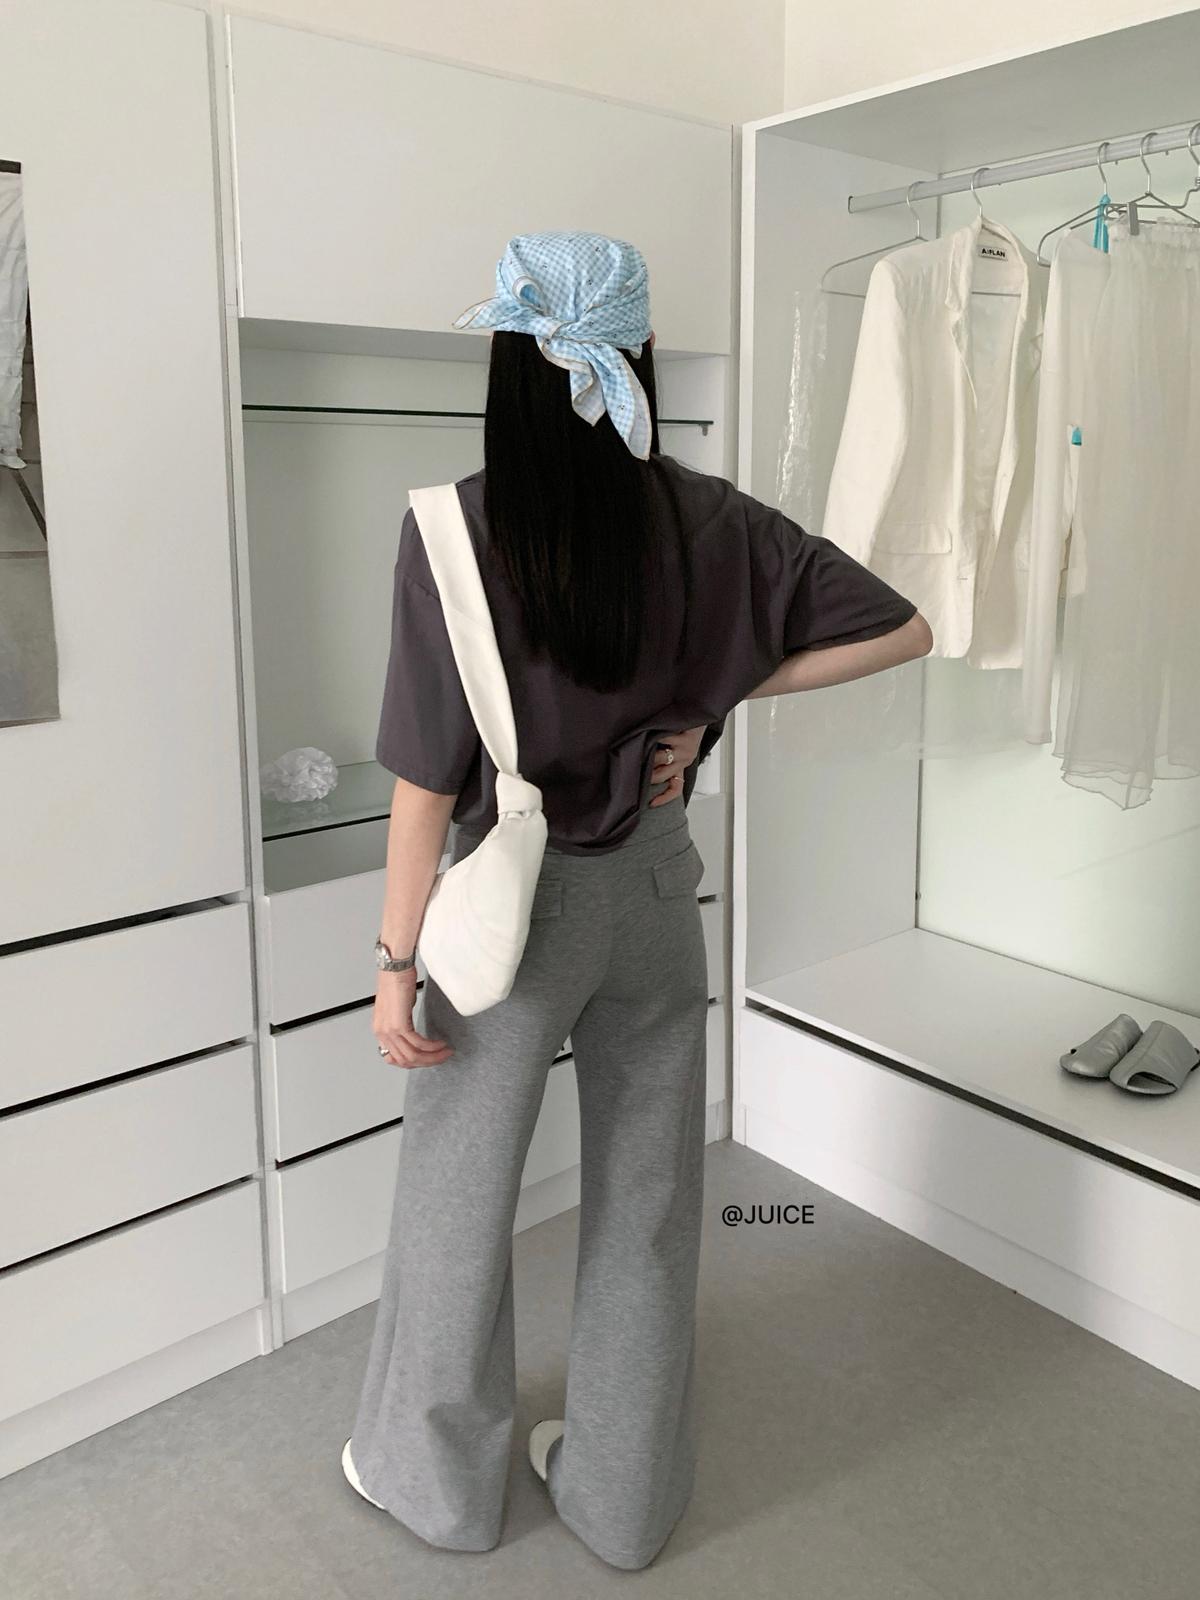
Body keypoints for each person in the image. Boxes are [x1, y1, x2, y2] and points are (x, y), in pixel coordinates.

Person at [344, 231, 933, 1570]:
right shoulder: (713, 517)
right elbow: (904, 626)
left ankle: (437, 1491)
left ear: (510, 361)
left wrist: (392, 963)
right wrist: (712, 701)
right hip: (659, 895)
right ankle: (620, 1501)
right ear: (638, 351)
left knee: (455, 1205)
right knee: (652, 1202)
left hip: (513, 912)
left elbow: (426, 785)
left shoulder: (453, 529)